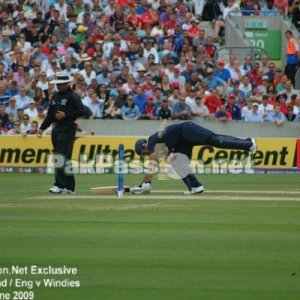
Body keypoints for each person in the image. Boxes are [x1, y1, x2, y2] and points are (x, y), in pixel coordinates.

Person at [132, 121, 256, 195]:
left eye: (144, 153)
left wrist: (146, 183)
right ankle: (195, 186)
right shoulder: (157, 144)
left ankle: (248, 144)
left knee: (213, 139)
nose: (146, 156)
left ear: (144, 146)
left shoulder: (152, 140)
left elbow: (154, 158)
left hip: (186, 130)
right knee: (176, 162)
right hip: (182, 141)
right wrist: (143, 184)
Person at [37, 72, 85, 194]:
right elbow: (50, 115)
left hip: (68, 128)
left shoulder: (73, 96)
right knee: (65, 158)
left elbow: (81, 111)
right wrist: (42, 128)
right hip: (56, 129)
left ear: (67, 83)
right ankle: (69, 187)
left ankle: (58, 184)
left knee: (59, 156)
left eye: (61, 84)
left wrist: (66, 115)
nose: (59, 86)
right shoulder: (55, 96)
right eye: (57, 84)